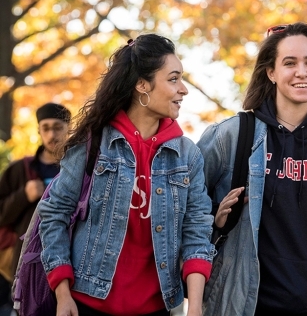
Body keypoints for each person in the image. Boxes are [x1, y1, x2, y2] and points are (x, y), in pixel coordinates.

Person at [37, 34, 215, 316]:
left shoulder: (187, 155)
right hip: (87, 304)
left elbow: (196, 232)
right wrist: (62, 293)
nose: (183, 89)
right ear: (142, 85)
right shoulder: (92, 144)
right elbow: (54, 214)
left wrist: (194, 307)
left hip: (156, 309)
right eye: (173, 79)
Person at [198, 22, 307, 316]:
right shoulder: (232, 136)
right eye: (290, 63)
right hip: (239, 305)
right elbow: (186, 208)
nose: (302, 72)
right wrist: (215, 220)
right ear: (271, 72)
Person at [0, 103, 71, 315]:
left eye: (58, 127)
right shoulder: (19, 170)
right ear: (38, 130)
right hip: (26, 270)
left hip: (70, 270)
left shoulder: (79, 169)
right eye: (45, 127)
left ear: (69, 128)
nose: (51, 134)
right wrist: (23, 196)